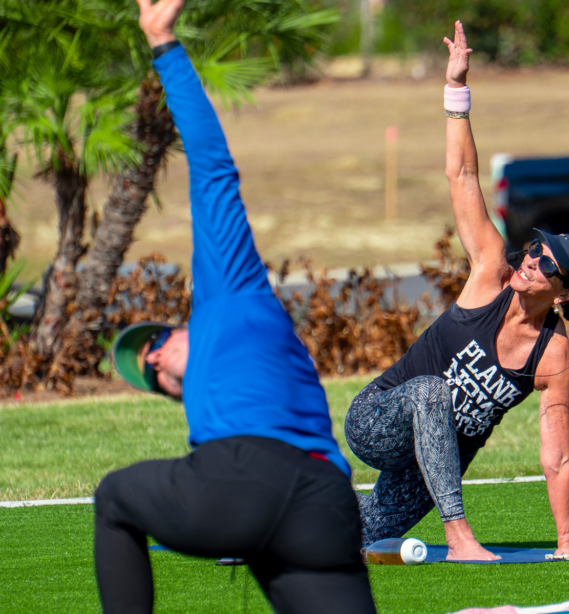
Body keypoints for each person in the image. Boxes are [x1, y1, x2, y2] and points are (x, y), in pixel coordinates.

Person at [95, 2, 374, 612]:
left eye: (155, 344)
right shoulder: (224, 387)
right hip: (320, 510)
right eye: (156, 379)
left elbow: (213, 170)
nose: (156, 362)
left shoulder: (230, 294)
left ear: (182, 332)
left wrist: (164, 45)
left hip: (276, 484)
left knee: (114, 496)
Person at [344, 21, 569, 561]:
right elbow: (462, 176)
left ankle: (266, 525)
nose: (532, 259)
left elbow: (557, 454)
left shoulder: (553, 356)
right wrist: (456, 91)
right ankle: (459, 537)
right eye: (536, 248)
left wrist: (567, 542)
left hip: (434, 466)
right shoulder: (491, 272)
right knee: (432, 392)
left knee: (349, 534)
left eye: (548, 263)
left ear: (563, 293)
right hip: (377, 420)